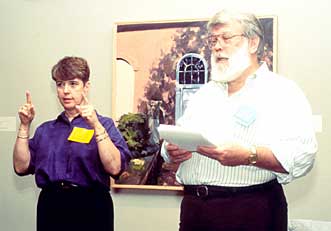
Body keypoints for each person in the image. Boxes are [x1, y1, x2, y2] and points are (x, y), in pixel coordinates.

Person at [161, 9, 317, 231]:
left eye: (226, 38)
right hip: (194, 211)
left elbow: (303, 155)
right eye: (213, 40)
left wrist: (248, 155)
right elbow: (176, 142)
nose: (216, 46)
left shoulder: (282, 91)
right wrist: (171, 150)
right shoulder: (205, 94)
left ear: (252, 43)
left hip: (250, 210)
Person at [13, 56, 131, 231]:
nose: (65, 91)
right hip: (51, 206)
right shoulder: (46, 129)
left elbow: (115, 168)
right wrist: (24, 125)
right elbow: (21, 167)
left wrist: (96, 125)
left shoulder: (104, 125)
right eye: (60, 84)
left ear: (86, 87)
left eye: (73, 84)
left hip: (92, 207)